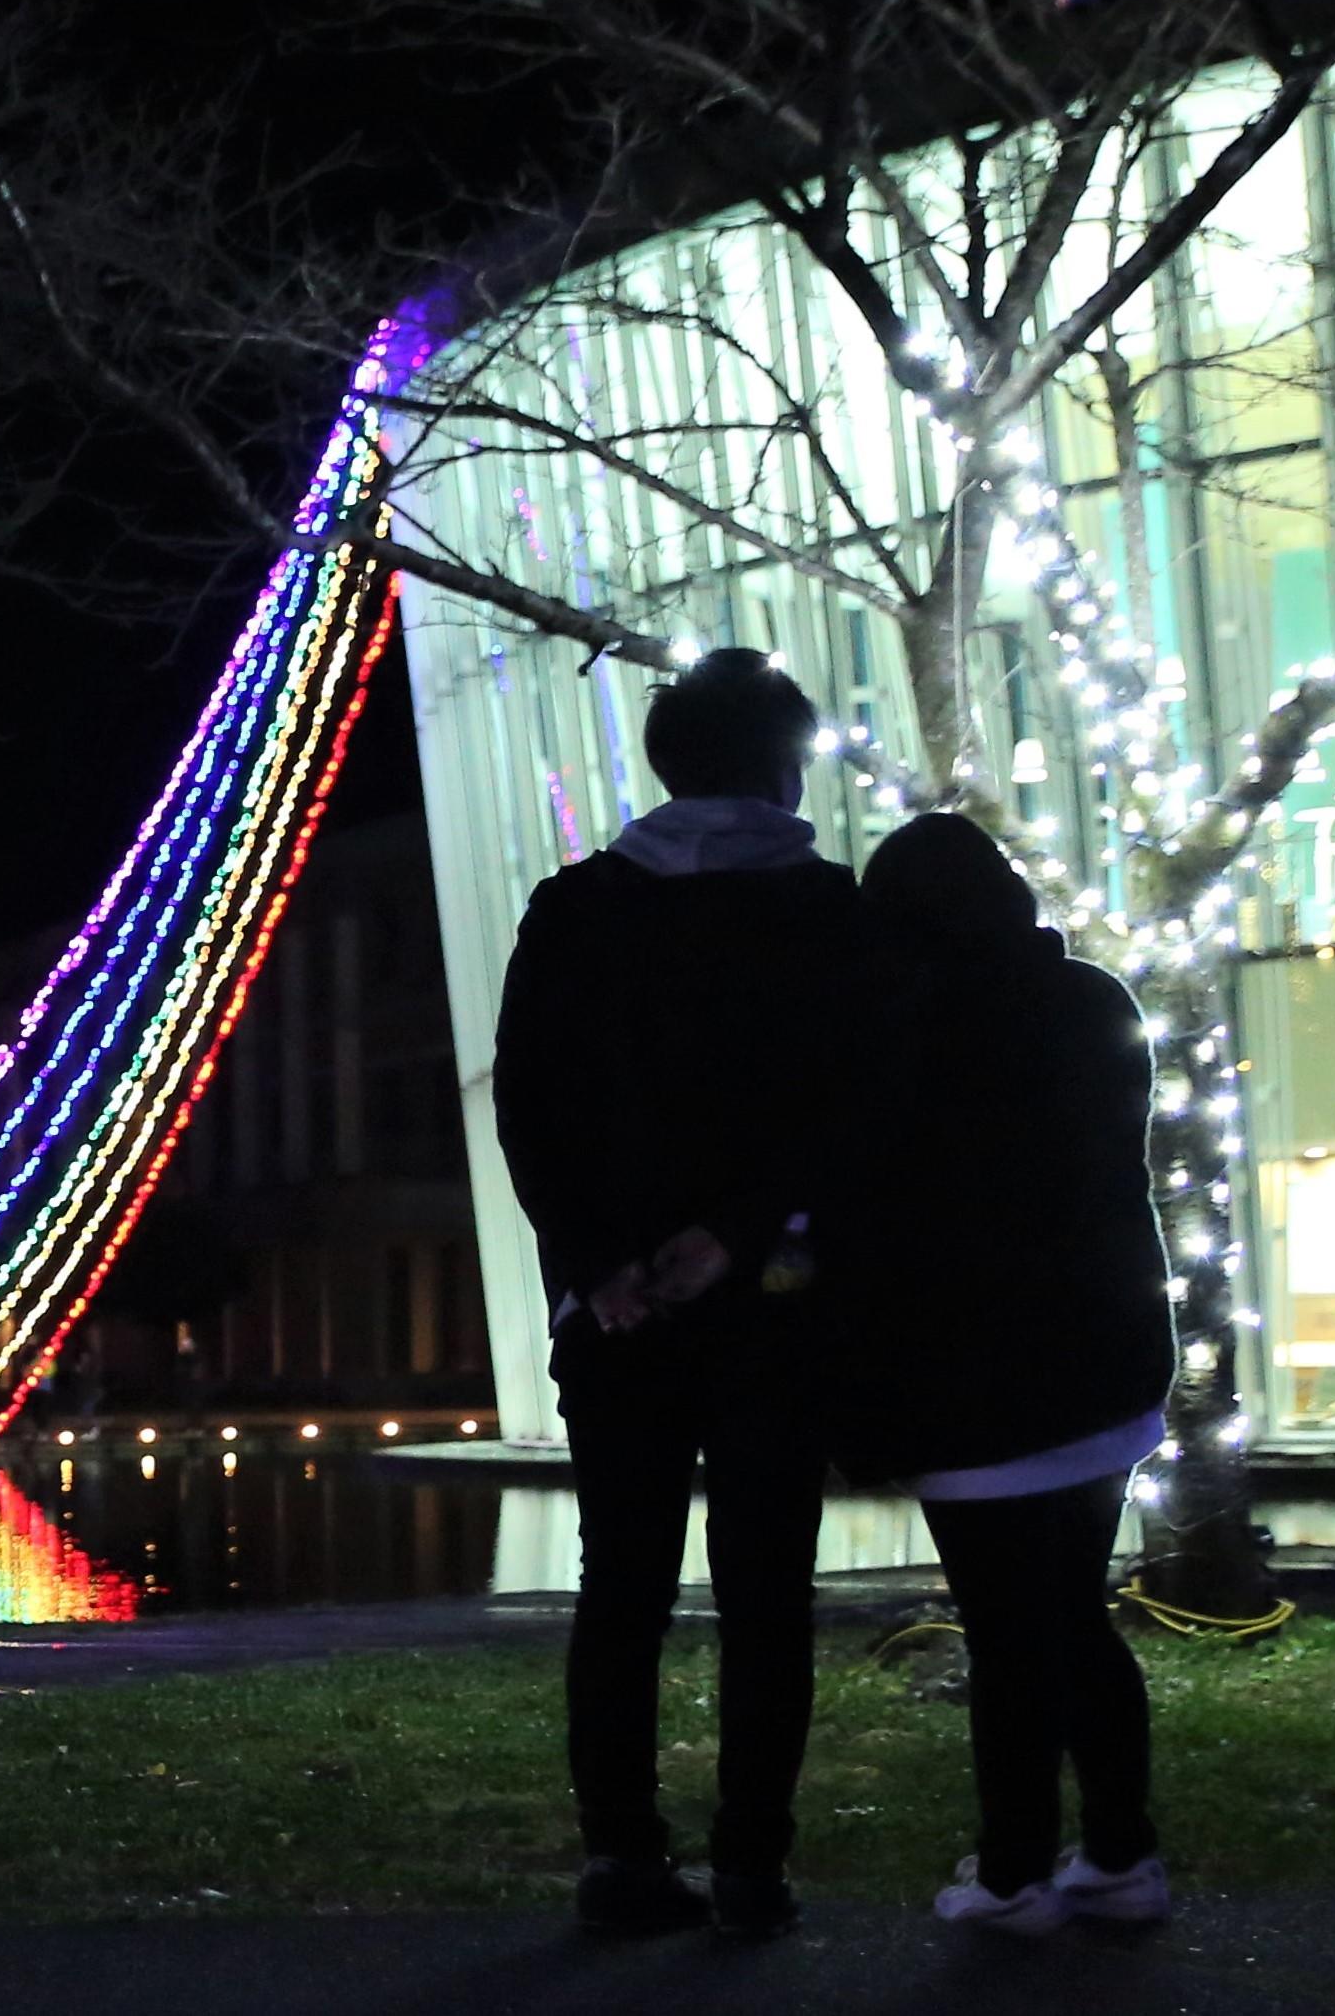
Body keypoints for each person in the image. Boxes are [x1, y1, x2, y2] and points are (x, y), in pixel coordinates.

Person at [491, 647, 866, 1941]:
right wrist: (732, 1230)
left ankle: (617, 1857)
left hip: (617, 1316)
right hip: (772, 1300)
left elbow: (529, 1111)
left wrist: (600, 1265)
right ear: (779, 761)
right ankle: (751, 1862)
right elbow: (845, 1108)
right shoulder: (826, 910)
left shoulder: (574, 907)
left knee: (621, 1588)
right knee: (766, 1589)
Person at [833, 812, 1176, 1934]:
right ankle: (1118, 1850)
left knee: (1008, 1627)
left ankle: (1014, 1868)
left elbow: (887, 1204)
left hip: (972, 1374)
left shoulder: (908, 1024)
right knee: (1075, 1610)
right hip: (1102, 1357)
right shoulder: (1095, 1001)